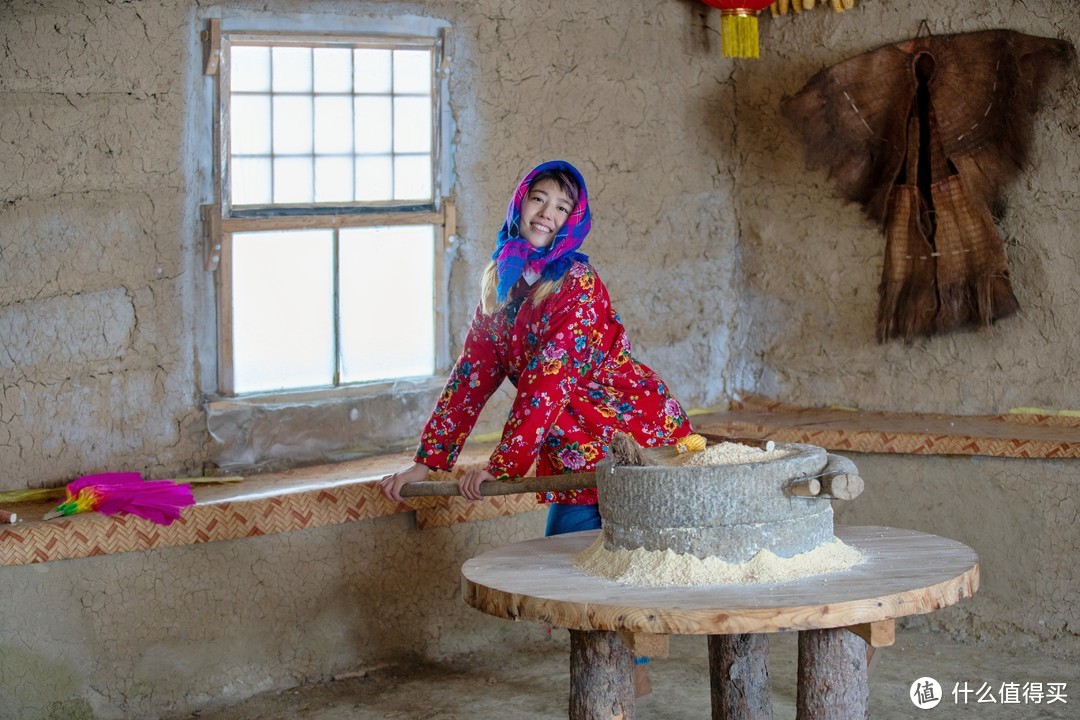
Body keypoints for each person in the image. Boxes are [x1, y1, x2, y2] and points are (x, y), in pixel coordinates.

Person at [380, 160, 694, 536]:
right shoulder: (503, 282)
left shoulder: (578, 285)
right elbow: (470, 377)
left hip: (638, 442)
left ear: (573, 220)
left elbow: (548, 382)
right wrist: (425, 462)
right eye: (538, 199)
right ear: (519, 203)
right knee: (564, 565)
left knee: (649, 562)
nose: (547, 214)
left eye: (562, 208)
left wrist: (504, 465)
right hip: (574, 451)